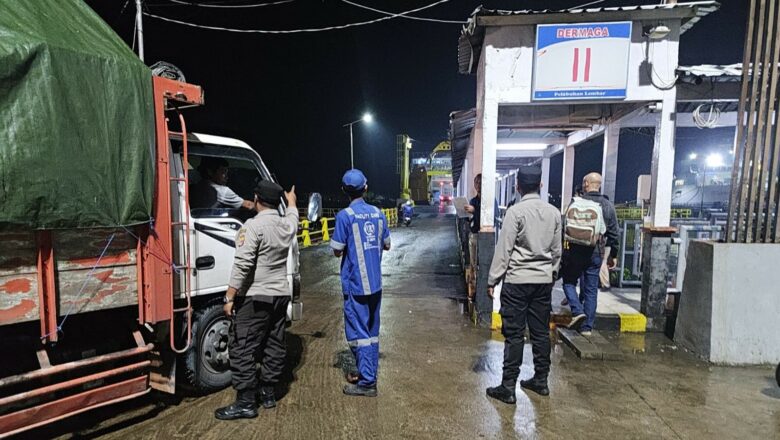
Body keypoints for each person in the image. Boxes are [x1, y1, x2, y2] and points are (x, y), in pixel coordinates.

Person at [214, 181, 298, 420]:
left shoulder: (252, 227)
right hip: (281, 294)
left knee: (241, 347)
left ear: (256, 198)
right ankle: (268, 393)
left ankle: (246, 403)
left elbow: (242, 264)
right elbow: (293, 215)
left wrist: (229, 296)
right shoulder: (286, 224)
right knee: (274, 343)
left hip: (256, 296)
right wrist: (291, 201)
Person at [485, 166, 561, 403]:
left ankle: (508, 387)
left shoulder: (515, 212)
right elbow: (557, 251)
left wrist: (492, 279)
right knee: (540, 332)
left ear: (517, 186)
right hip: (542, 282)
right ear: (540, 185)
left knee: (515, 334)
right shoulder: (554, 212)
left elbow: (504, 249)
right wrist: (551, 273)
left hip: (517, 282)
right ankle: (541, 380)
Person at [330, 169, 391, 397]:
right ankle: (368, 372)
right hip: (376, 284)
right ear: (366, 188)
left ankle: (367, 382)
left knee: (358, 333)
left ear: (344, 191)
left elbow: (336, 251)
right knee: (372, 332)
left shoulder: (345, 216)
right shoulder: (378, 213)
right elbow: (387, 244)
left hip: (355, 284)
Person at [561, 173, 619, 336]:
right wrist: (613, 255)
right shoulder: (608, 205)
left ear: (586, 184)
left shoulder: (576, 202)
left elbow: (565, 225)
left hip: (574, 252)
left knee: (568, 282)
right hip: (595, 252)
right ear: (599, 185)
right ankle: (586, 328)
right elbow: (614, 234)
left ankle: (577, 309)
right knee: (591, 290)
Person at [190, 157, 255, 210]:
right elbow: (248, 205)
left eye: (227, 172)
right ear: (210, 172)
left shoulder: (196, 186)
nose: (227, 176)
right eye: (223, 172)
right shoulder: (222, 191)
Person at [464, 174, 482, 298]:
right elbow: (469, 219)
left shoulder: (489, 202)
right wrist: (465, 212)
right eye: (476, 183)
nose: (478, 186)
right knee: (473, 263)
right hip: (474, 234)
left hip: (484, 235)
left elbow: (490, 216)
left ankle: (482, 289)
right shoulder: (473, 201)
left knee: (483, 264)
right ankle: (473, 289)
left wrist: (475, 211)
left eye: (480, 183)